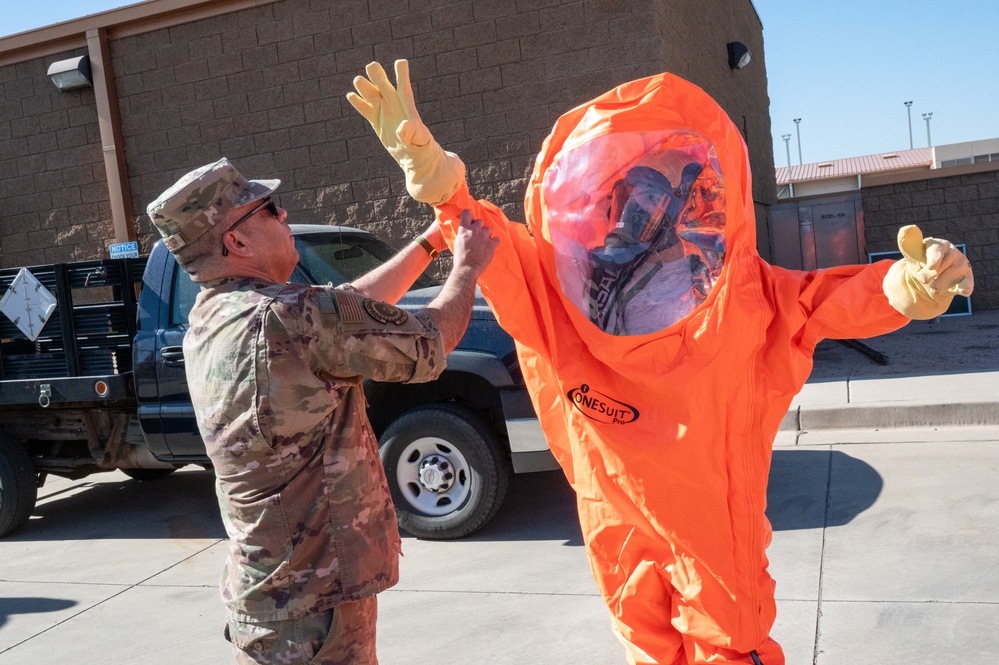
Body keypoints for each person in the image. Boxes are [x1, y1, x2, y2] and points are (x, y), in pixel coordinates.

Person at [347, 61, 974, 664]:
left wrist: (906, 288)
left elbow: (820, 301)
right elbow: (497, 249)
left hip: (713, 538)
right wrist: (444, 188)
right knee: (645, 646)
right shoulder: (568, 295)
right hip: (617, 526)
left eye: (675, 189)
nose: (651, 210)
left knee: (728, 646)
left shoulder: (740, 293)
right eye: (639, 188)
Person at [145, 157, 497, 665]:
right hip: (314, 615)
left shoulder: (214, 315)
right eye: (267, 209)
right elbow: (430, 342)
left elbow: (347, 305)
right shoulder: (286, 318)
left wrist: (429, 245)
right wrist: (467, 267)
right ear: (237, 243)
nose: (284, 214)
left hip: (276, 606)